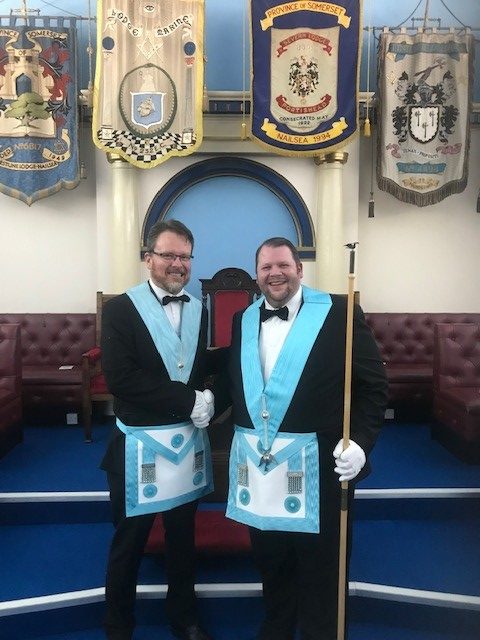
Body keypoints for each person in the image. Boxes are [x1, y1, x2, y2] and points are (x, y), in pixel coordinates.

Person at [225, 237, 388, 640]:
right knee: (271, 564)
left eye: (283, 265)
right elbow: (238, 382)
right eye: (266, 267)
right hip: (260, 470)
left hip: (319, 469)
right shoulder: (243, 319)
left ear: (300, 269)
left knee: (322, 571)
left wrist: (361, 443)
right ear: (256, 275)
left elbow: (373, 386)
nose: (275, 273)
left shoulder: (339, 313)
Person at [100, 219, 215, 640]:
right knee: (129, 543)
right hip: (139, 445)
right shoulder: (120, 309)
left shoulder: (200, 309)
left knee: (183, 541)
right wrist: (188, 400)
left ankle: (184, 618)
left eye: (185, 256)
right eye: (168, 255)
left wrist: (210, 394)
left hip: (186, 444)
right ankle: (118, 626)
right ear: (148, 258)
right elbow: (121, 379)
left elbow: (198, 370)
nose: (177, 264)